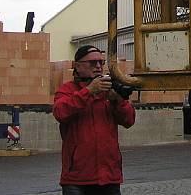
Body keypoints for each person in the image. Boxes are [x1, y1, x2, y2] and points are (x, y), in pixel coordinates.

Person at [53, 45, 136, 195]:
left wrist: (117, 100)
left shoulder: (108, 91)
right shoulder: (67, 90)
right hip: (76, 179)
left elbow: (129, 120)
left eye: (101, 63)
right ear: (77, 66)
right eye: (92, 63)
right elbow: (60, 112)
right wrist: (89, 91)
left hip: (109, 176)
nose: (98, 66)